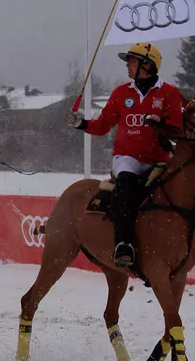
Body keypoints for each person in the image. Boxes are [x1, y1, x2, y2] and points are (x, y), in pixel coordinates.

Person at [65, 43, 183, 267]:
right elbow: (102, 126)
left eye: (132, 60)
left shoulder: (170, 93)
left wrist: (162, 124)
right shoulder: (121, 93)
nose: (127, 65)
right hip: (128, 159)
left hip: (159, 160)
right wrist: (82, 123)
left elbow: (178, 130)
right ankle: (124, 244)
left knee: (181, 189)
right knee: (126, 187)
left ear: (147, 65)